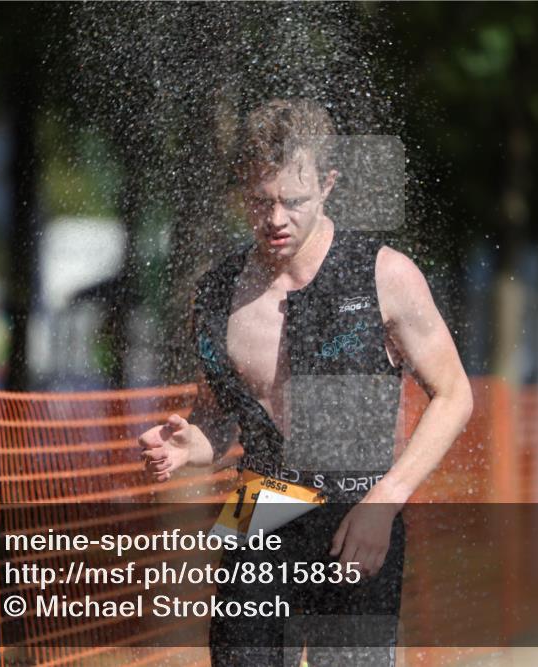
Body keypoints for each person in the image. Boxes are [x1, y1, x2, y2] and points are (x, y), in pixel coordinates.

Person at [139, 98, 473, 666]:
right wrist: (187, 445)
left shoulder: (383, 274)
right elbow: (219, 419)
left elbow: (454, 395)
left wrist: (385, 502)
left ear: (328, 185)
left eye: (293, 201)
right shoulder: (219, 291)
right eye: (260, 200)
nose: (275, 219)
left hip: (357, 506)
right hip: (257, 503)